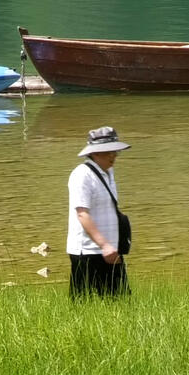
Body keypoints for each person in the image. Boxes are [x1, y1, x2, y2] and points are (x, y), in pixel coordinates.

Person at [67, 126, 131, 298]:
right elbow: (82, 213)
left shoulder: (108, 172)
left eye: (115, 151)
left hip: (110, 249)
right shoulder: (82, 175)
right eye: (108, 151)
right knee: (84, 304)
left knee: (121, 301)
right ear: (95, 153)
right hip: (87, 251)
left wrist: (111, 246)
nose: (114, 156)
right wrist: (104, 245)